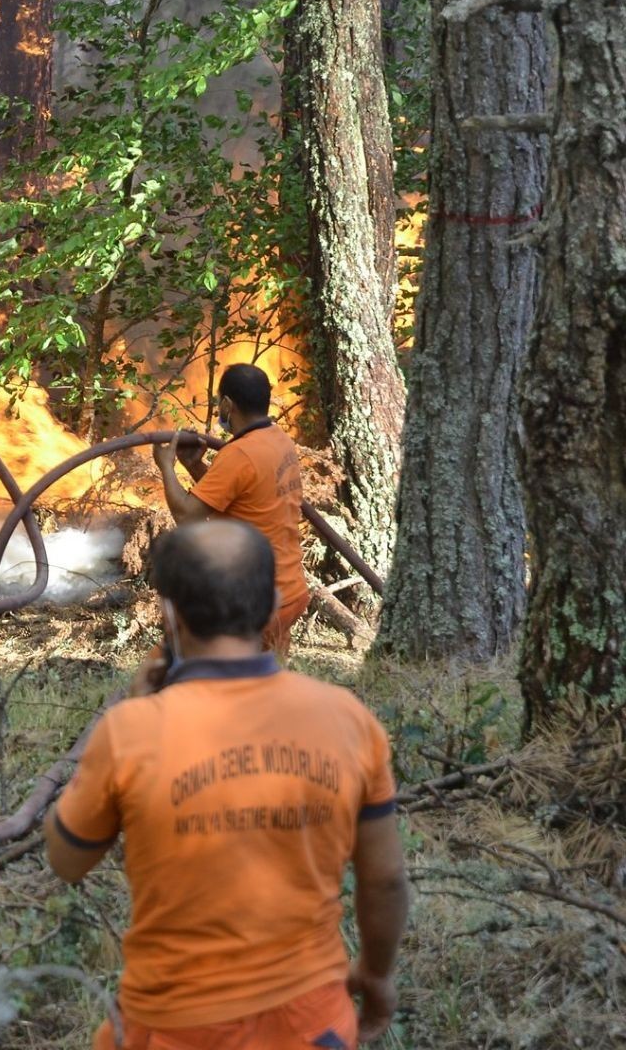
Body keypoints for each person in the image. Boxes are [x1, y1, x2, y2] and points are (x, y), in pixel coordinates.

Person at [46, 521, 409, 1049]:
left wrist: (131, 714)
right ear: (272, 606)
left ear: (170, 614)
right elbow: (386, 879)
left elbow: (65, 860)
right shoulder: (349, 719)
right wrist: (375, 975)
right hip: (312, 1024)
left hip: (173, 1026)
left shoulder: (129, 732)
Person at [153, 363, 309, 657]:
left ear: (227, 404)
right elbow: (241, 497)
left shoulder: (238, 454)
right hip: (291, 592)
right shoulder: (278, 439)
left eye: (218, 403)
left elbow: (187, 516)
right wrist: (195, 466)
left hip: (257, 601)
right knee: (265, 683)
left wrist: (166, 468)